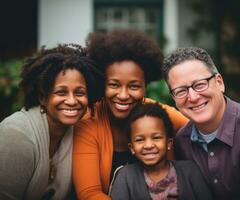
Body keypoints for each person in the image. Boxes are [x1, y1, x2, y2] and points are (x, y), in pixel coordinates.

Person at [72, 29, 188, 200]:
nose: (123, 95)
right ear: (102, 83)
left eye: (134, 86)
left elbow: (200, 130)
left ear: (145, 86)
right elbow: (89, 194)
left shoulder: (159, 115)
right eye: (114, 85)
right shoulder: (89, 122)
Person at [0, 44, 103, 200]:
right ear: (42, 97)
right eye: (61, 92)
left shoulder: (76, 130)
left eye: (79, 92)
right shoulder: (16, 134)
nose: (72, 101)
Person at [162, 47, 240, 200]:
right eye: (181, 91)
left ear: (219, 83)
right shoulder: (181, 141)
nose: (192, 97)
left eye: (199, 84)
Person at [110, 103, 213, 200]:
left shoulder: (190, 171)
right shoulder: (125, 176)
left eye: (156, 137)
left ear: (169, 143)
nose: (149, 145)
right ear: (132, 148)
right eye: (140, 140)